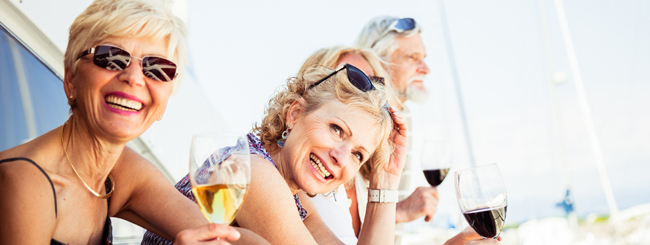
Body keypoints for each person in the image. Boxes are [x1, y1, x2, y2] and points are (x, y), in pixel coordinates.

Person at [0, 0, 259, 244]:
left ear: (165, 103)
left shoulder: (119, 171)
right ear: (71, 79)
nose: (134, 77)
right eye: (111, 57)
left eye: (158, 69)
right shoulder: (27, 184)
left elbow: (229, 238)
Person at [143, 60, 408, 245]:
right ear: (294, 114)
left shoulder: (295, 196)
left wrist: (385, 179)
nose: (341, 157)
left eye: (358, 154)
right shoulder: (254, 173)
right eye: (337, 129)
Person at [302, 46, 497, 245]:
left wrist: (385, 178)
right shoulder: (304, 177)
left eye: (373, 86)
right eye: (349, 82)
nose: (363, 96)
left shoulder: (345, 174)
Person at [356, 17, 439, 244]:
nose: (426, 69)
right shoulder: (358, 119)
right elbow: (344, 223)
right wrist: (401, 211)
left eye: (423, 58)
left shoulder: (405, 117)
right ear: (379, 62)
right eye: (413, 58)